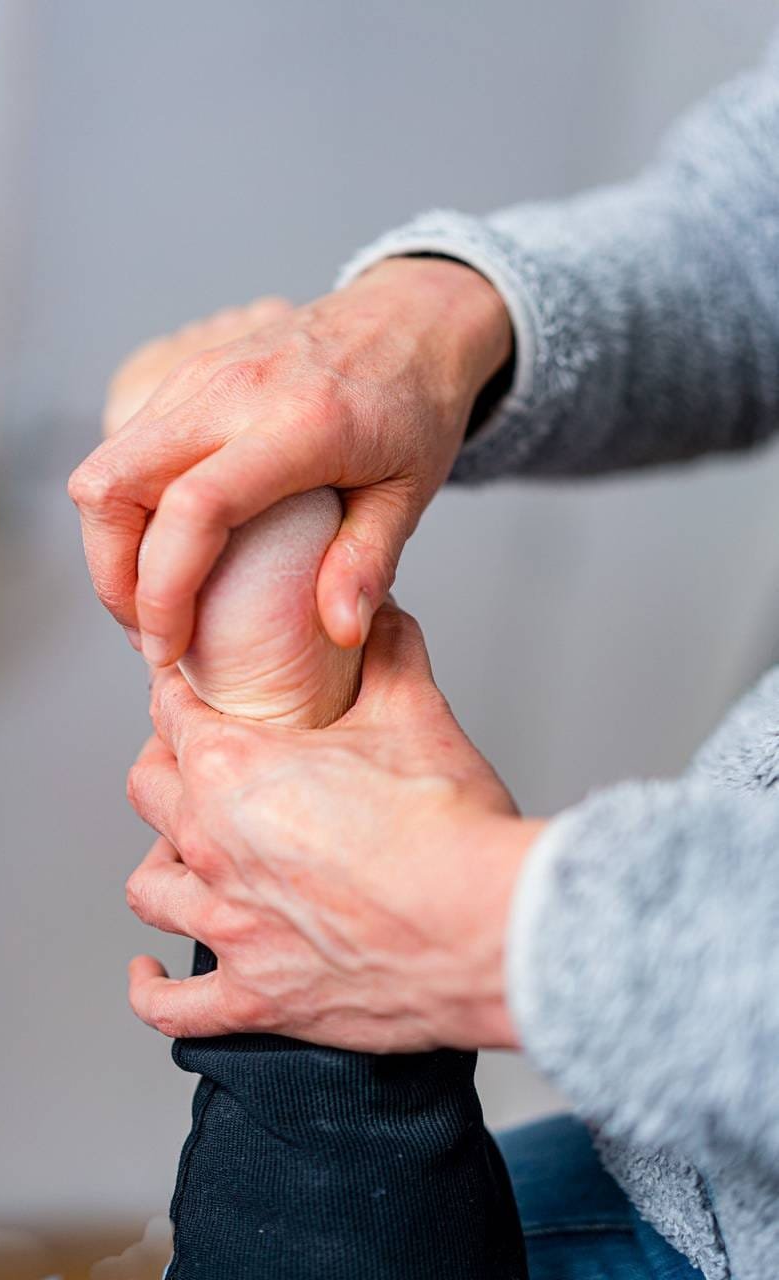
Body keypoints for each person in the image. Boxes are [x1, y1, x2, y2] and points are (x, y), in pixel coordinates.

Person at [70, 34, 779, 1280]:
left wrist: (492, 929)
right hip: (720, 1155)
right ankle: (279, 705)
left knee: (319, 1033)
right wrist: (424, 321)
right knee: (322, 1021)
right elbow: (753, 220)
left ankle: (274, 706)